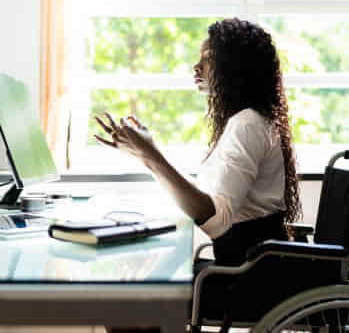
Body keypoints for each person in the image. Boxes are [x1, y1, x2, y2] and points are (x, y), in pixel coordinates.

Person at [97, 17, 302, 333]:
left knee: (126, 304)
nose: (196, 67)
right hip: (245, 269)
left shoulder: (248, 125)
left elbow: (218, 221)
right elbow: (210, 203)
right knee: (135, 293)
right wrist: (145, 155)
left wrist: (151, 155)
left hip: (246, 280)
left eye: (207, 60)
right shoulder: (246, 121)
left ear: (234, 67)